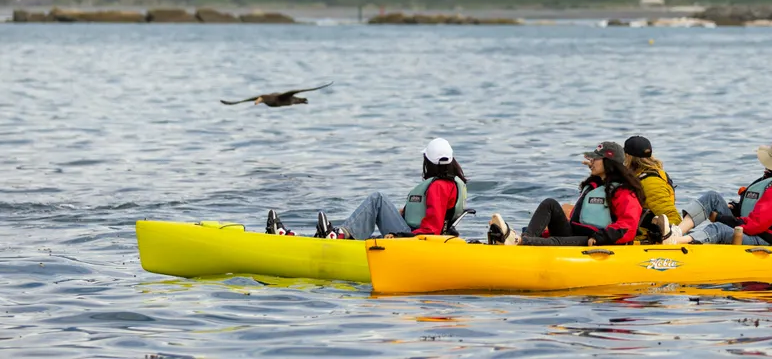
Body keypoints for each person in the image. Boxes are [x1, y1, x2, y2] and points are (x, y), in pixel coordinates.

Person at [265, 138, 467, 240]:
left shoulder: (439, 187)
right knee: (368, 235)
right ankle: (322, 236)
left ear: (428, 162)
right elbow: (431, 215)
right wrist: (402, 214)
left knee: (377, 199)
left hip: (415, 241)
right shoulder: (447, 184)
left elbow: (431, 230)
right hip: (413, 236)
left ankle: (340, 235)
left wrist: (399, 236)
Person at [488, 141, 643, 247]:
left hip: (596, 239)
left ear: (609, 162)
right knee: (550, 204)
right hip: (575, 233)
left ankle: (520, 241)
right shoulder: (595, 184)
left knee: (558, 241)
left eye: (596, 158)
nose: (591, 161)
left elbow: (628, 226)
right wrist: (543, 234)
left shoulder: (623, 191)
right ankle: (524, 239)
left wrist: (600, 237)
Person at [671, 139, 772, 246]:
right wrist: (735, 209)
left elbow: (754, 226)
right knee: (713, 197)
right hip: (750, 228)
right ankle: (676, 233)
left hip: (763, 239)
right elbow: (755, 208)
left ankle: (677, 242)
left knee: (719, 229)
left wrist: (720, 218)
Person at [623, 135, 681, 243]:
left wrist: (661, 236)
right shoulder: (636, 177)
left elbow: (673, 218)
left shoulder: (650, 182)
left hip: (645, 241)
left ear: (628, 156)